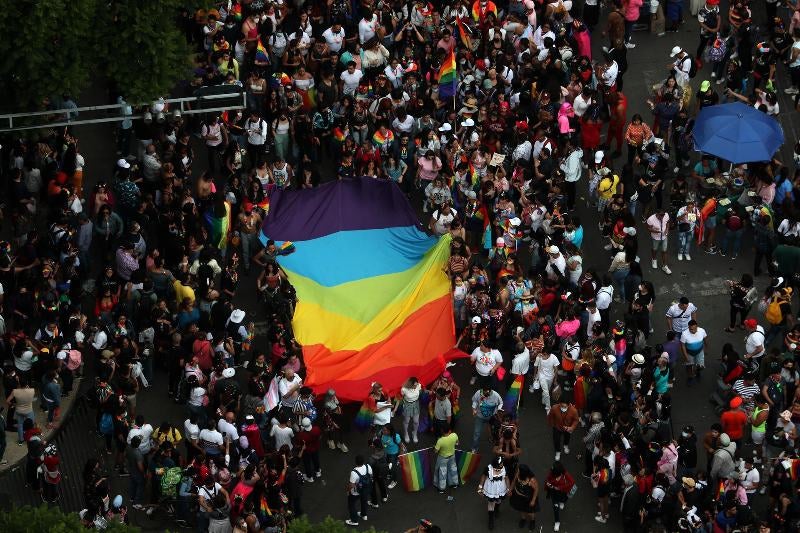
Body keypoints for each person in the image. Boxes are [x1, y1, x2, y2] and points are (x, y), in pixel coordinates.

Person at [478, 456, 510, 530]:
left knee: (499, 500)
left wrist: (508, 488)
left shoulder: (505, 469)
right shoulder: (488, 469)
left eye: (502, 464)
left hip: (501, 488)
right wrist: (480, 487)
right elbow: (483, 477)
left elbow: (507, 478)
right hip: (490, 488)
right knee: (491, 503)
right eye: (500, 464)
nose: (502, 465)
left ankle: (497, 509)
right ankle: (491, 519)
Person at [544, 461, 574, 532]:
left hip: (564, 492)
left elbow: (572, 482)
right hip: (554, 493)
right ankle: (557, 522)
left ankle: (562, 502)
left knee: (564, 499)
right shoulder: (552, 473)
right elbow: (547, 480)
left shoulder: (564, 473)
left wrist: (560, 487)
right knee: (555, 508)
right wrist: (549, 484)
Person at [547, 396, 579, 461]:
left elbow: (576, 420)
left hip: (568, 428)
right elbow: (550, 416)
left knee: (567, 438)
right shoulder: (554, 408)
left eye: (565, 407)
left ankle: (566, 445)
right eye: (562, 406)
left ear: (568, 405)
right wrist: (552, 424)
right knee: (556, 440)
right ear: (560, 404)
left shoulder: (573, 410)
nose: (563, 408)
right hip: (557, 427)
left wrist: (572, 427)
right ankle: (558, 452)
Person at [471, 386, 503, 452]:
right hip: (480, 417)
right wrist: (474, 409)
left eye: (485, 393)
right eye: (483, 392)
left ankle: (497, 446)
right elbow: (475, 401)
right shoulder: (478, 393)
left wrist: (499, 409)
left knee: (495, 431)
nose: (483, 394)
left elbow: (501, 403)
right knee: (477, 433)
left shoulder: (496, 395)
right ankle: (474, 448)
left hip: (491, 417)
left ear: (489, 391)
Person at [509, 464, 539, 531]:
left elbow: (536, 489)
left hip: (528, 499)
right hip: (518, 497)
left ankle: (532, 521)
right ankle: (523, 519)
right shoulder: (518, 475)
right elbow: (514, 481)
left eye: (519, 470)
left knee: (530, 512)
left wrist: (533, 500)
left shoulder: (532, 480)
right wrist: (510, 490)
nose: (518, 471)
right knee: (521, 509)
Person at [345, 455, 373, 526]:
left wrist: (348, 491)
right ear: (363, 461)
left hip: (356, 492)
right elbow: (371, 475)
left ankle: (354, 521)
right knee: (364, 501)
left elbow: (351, 485)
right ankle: (364, 515)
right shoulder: (368, 466)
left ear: (355, 462)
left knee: (351, 505)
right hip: (366, 489)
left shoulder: (354, 472)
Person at [433, 425, 459, 494]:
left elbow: (435, 451)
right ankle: (454, 484)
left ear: (442, 431)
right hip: (452, 456)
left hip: (443, 458)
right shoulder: (454, 435)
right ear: (449, 431)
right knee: (453, 469)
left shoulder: (440, 441)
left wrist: (435, 448)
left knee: (442, 472)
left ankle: (441, 488)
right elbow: (457, 443)